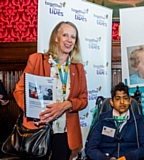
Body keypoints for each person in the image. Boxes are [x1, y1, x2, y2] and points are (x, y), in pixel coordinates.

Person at [13, 21, 88, 160]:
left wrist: (66, 105)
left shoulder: (78, 68)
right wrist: (34, 113)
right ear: (56, 37)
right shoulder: (37, 60)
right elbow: (19, 91)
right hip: (37, 129)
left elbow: (83, 99)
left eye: (73, 37)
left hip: (65, 131)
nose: (69, 40)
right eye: (65, 35)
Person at [85, 82, 144, 160]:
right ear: (111, 102)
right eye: (117, 99)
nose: (122, 102)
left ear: (130, 100)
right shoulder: (102, 119)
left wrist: (128, 157)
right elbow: (90, 148)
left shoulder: (137, 120)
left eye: (125, 98)